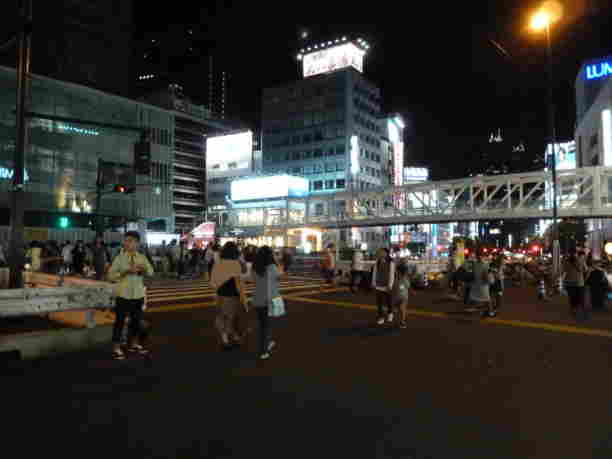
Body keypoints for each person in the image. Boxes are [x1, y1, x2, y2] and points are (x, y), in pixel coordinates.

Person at [107, 231, 154, 360]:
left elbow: (151, 272)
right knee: (119, 322)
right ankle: (116, 347)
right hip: (123, 294)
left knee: (136, 321)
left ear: (137, 243)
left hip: (138, 294)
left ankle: (133, 344)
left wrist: (143, 270)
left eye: (129, 241)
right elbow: (110, 275)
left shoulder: (142, 258)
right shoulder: (120, 258)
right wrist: (125, 272)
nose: (126, 243)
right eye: (125, 241)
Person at [210, 241, 245, 350]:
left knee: (222, 316)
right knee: (231, 317)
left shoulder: (218, 263)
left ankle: (226, 337)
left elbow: (213, 282)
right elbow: (241, 277)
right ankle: (229, 337)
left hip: (220, 293)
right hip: (232, 294)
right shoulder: (236, 263)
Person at [252, 245, 280, 360]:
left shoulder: (255, 267)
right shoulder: (272, 267)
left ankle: (267, 342)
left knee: (263, 324)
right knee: (266, 326)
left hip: (257, 299)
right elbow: (278, 277)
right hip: (268, 300)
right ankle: (264, 350)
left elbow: (253, 280)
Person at [371, 248, 396, 325]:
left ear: (386, 253)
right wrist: (373, 282)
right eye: (380, 252)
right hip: (379, 285)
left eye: (382, 252)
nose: (381, 253)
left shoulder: (391, 263)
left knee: (389, 301)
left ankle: (390, 313)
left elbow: (392, 274)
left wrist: (390, 285)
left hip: (387, 285)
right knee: (379, 303)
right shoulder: (377, 263)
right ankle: (381, 317)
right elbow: (374, 273)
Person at [563, 250, 588, 318]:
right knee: (580, 297)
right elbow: (586, 269)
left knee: (572, 297)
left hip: (569, 282)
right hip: (579, 282)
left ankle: (573, 309)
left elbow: (564, 270)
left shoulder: (566, 261)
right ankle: (582, 310)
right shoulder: (581, 261)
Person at [469, 252, 493, 317]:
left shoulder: (484, 264)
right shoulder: (476, 264)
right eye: (478, 256)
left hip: (482, 283)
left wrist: (487, 279)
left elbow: (486, 274)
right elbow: (473, 272)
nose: (479, 257)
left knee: (486, 298)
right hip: (477, 283)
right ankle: (481, 310)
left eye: (480, 256)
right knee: (475, 296)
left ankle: (490, 311)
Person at [392, 261, 413, 328]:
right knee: (397, 309)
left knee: (402, 308)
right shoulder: (396, 279)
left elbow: (408, 287)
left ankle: (402, 322)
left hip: (403, 297)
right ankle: (400, 321)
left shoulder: (404, 279)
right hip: (397, 296)